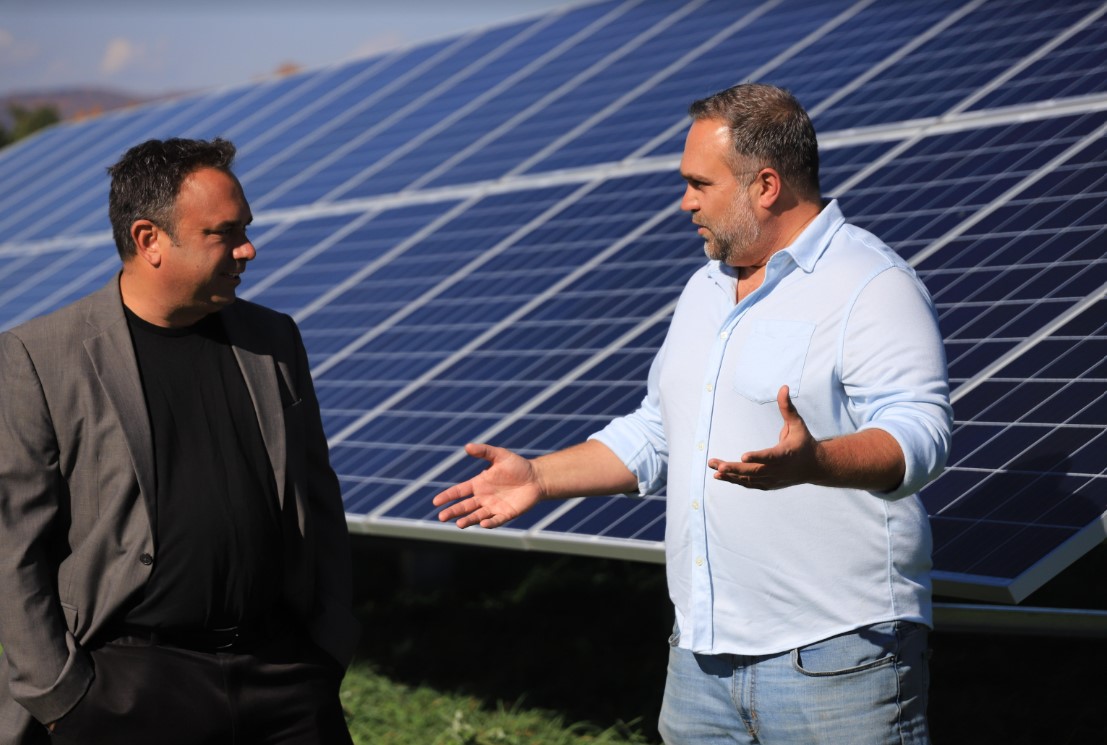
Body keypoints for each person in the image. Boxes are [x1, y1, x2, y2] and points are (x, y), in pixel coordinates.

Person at [434, 83, 952, 744]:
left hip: (833, 659)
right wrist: (538, 476)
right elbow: (658, 429)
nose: (684, 201)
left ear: (764, 185)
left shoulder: (870, 283)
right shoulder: (705, 286)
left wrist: (814, 461)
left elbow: (921, 437)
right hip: (699, 659)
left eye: (698, 184)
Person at [0, 138, 359, 744]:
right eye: (224, 233)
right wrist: (62, 696)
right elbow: (15, 548)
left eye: (245, 227)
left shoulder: (274, 339)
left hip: (286, 675)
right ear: (149, 241)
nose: (249, 249)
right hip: (128, 686)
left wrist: (327, 646)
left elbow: (318, 498)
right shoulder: (42, 357)